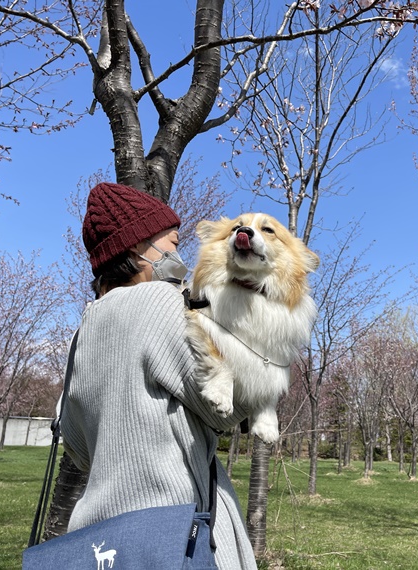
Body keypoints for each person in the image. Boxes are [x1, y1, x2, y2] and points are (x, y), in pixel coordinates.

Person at [61, 181, 257, 569]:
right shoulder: (161, 301)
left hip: (104, 539)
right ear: (137, 248)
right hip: (175, 535)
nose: (177, 254)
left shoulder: (83, 329)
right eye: (170, 243)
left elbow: (78, 448)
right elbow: (230, 407)